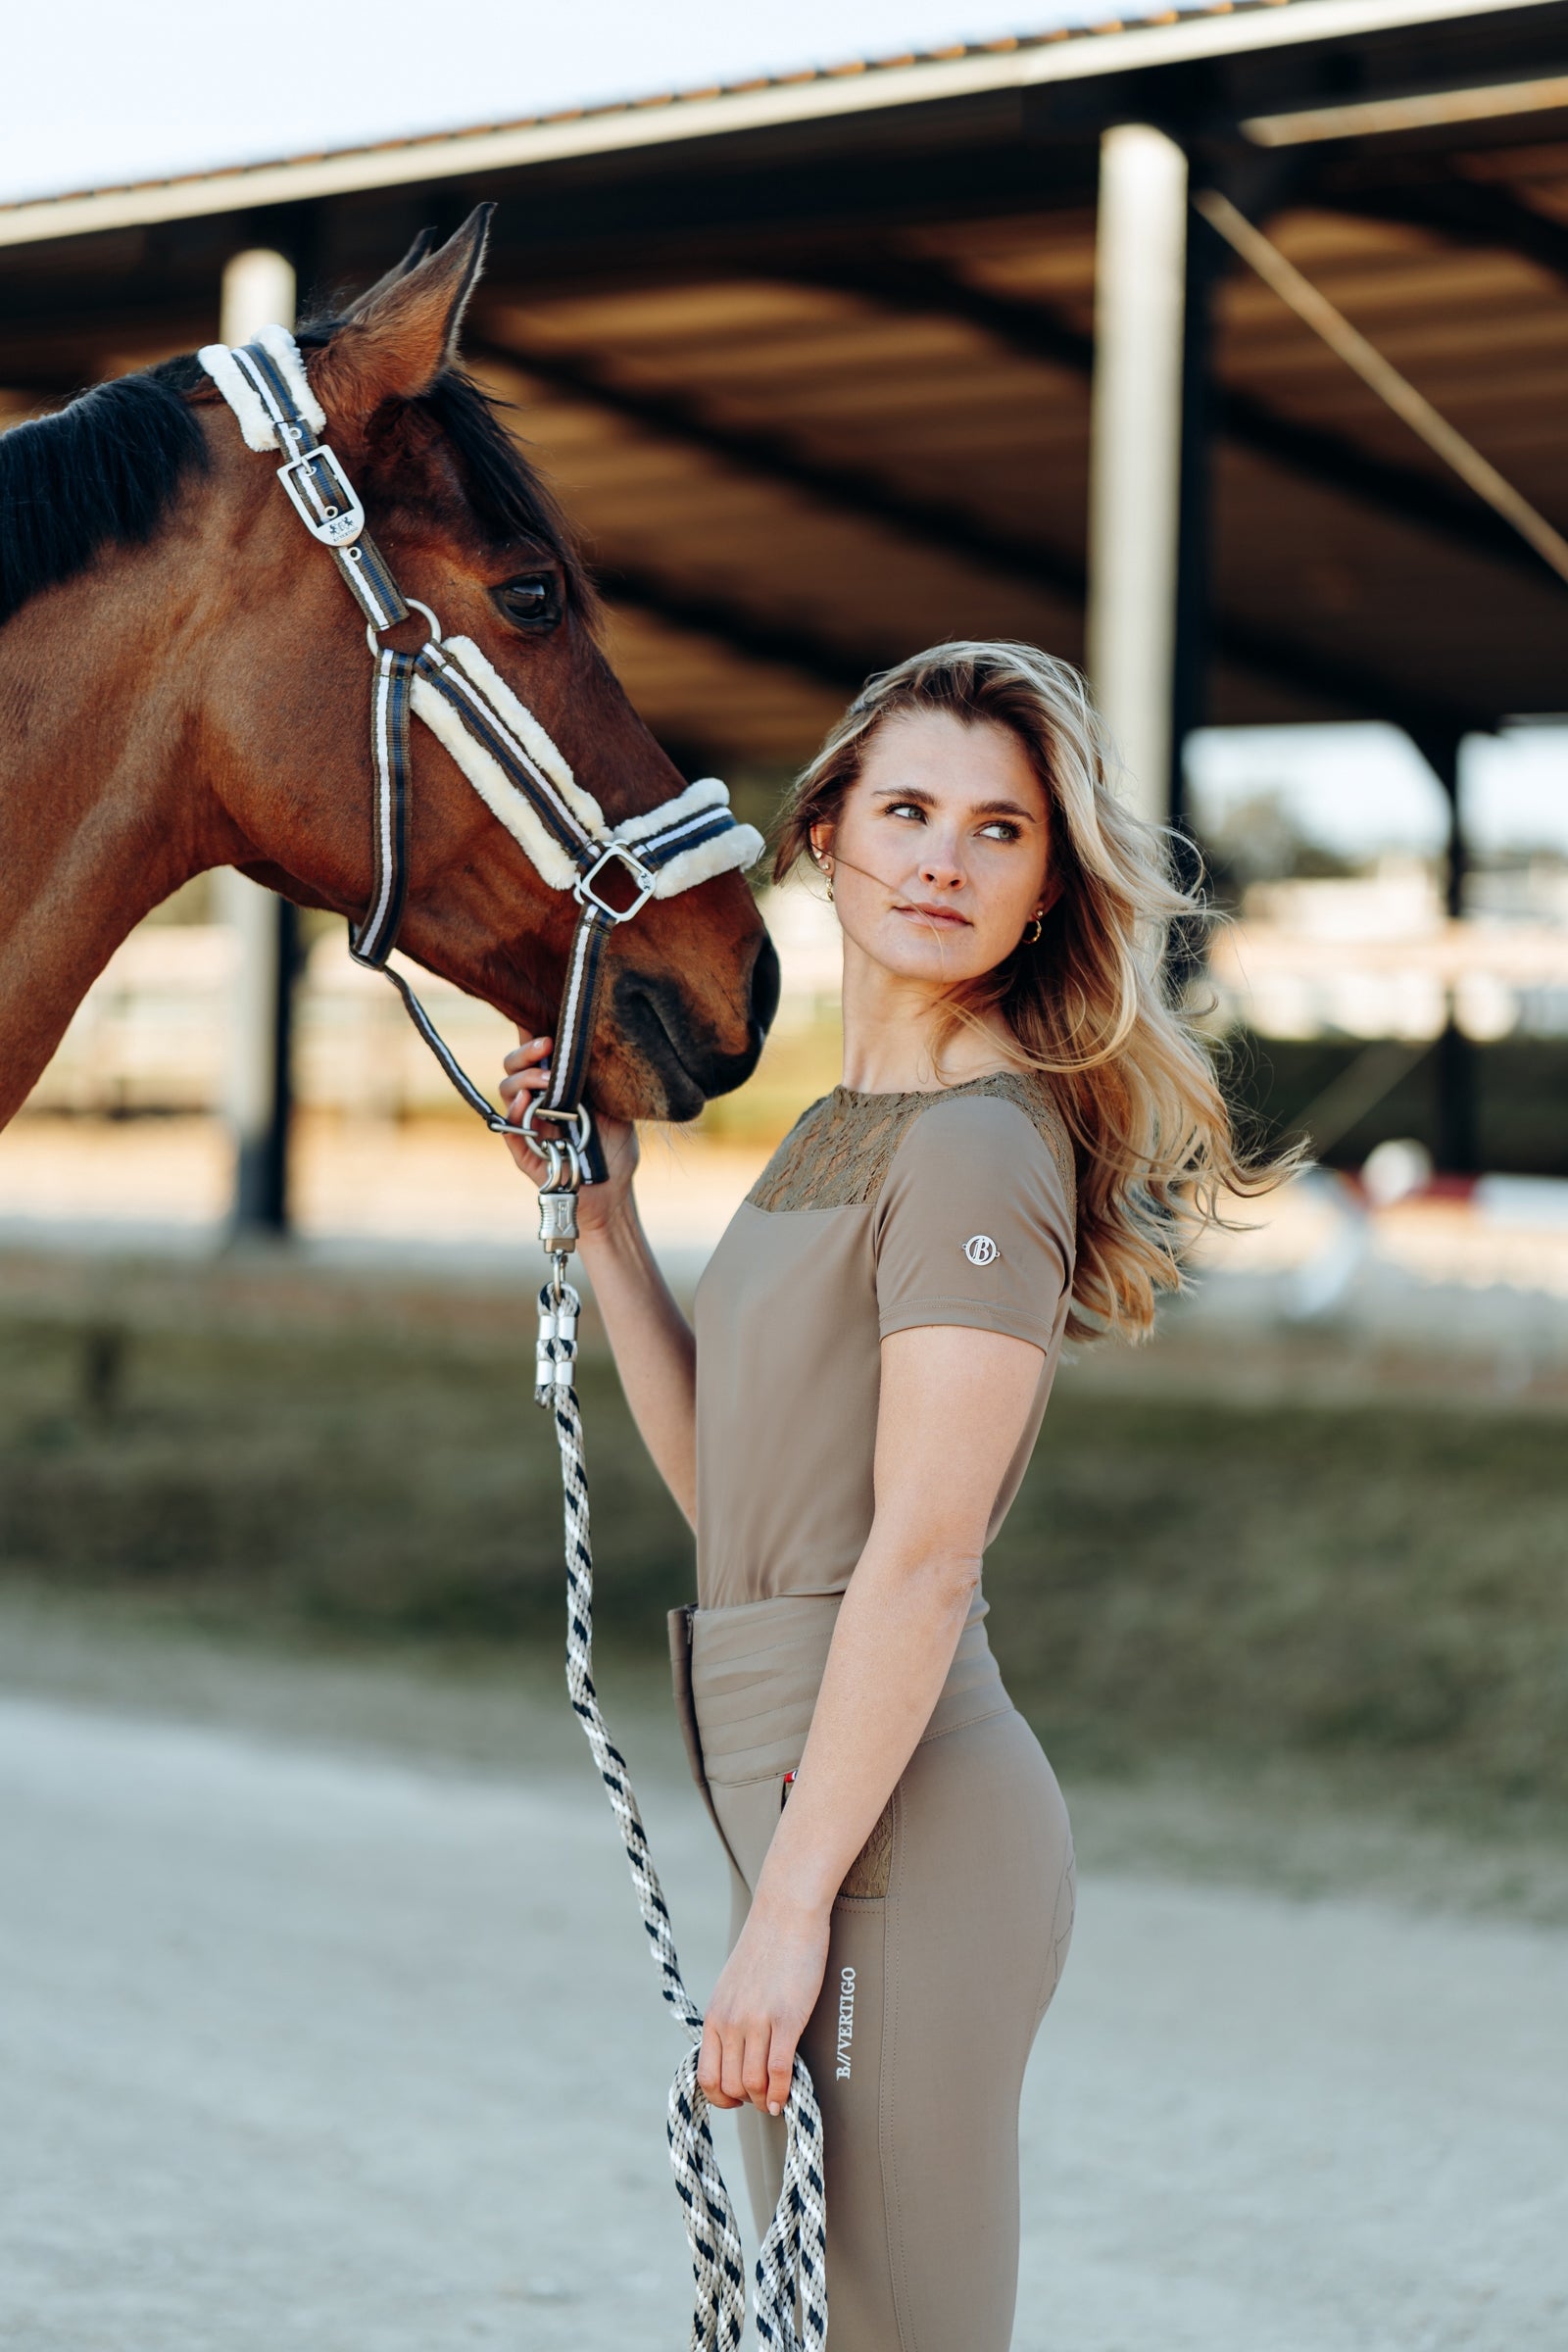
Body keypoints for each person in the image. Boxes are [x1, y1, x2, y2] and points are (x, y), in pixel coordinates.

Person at [501, 640, 1278, 2351]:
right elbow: (747, 1496)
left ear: (1046, 888)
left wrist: (789, 1919)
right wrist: (612, 1224)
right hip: (802, 1811)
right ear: (823, 833)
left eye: (1000, 832)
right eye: (909, 809)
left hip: (896, 1843)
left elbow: (920, 1563)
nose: (943, 858)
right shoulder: (841, 1128)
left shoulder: (980, 1145)